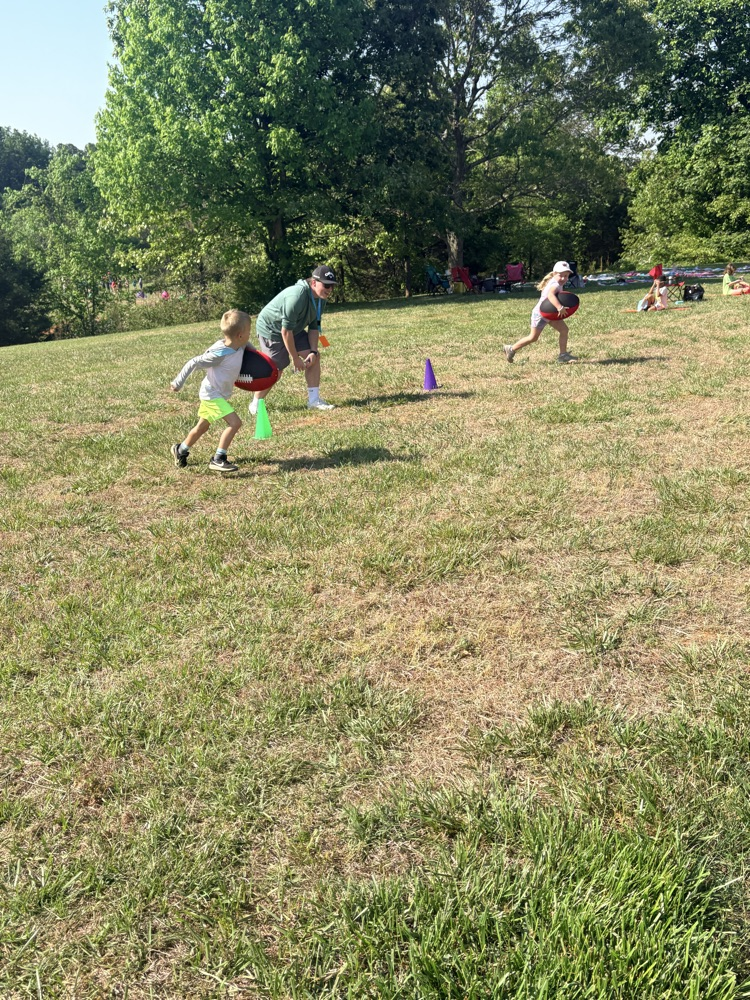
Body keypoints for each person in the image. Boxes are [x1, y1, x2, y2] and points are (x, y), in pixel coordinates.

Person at [169, 309, 251, 473]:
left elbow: (250, 349)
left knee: (202, 427)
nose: (250, 335)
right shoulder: (219, 353)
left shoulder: (240, 345)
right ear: (240, 335)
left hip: (218, 394)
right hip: (211, 394)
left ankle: (181, 450)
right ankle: (219, 458)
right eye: (249, 331)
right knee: (235, 423)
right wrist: (178, 382)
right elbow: (193, 362)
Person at [250, 265, 337, 414]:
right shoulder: (296, 296)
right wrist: (295, 358)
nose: (329, 290)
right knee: (276, 370)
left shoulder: (321, 299)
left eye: (332, 286)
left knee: (315, 358)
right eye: (326, 285)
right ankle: (256, 403)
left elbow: (314, 326)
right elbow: (285, 331)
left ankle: (314, 400)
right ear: (314, 283)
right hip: (272, 330)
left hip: (293, 329)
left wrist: (313, 352)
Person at [503, 261, 576, 364]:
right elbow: (551, 296)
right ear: (554, 273)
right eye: (561, 275)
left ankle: (563, 355)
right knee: (533, 337)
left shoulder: (557, 283)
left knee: (564, 330)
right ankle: (511, 349)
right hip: (541, 315)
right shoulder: (554, 284)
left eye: (566, 276)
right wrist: (559, 307)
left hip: (550, 314)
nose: (564, 278)